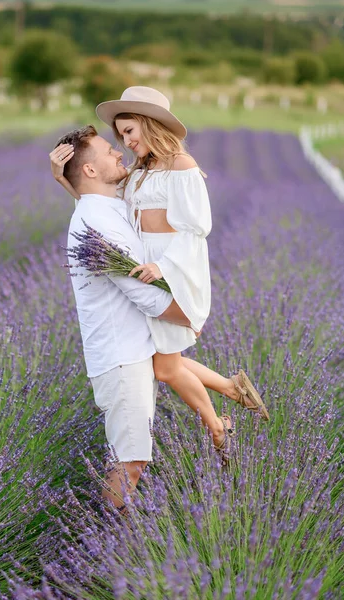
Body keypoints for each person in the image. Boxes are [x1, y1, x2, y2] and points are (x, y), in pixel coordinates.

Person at [50, 87, 269, 470]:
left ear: (152, 125)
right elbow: (94, 197)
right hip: (148, 271)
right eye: (121, 135)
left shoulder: (182, 166)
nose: (126, 142)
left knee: (165, 367)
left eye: (131, 130)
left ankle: (220, 426)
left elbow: (196, 229)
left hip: (174, 271)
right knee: (164, 361)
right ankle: (231, 395)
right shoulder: (138, 171)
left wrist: (164, 269)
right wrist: (61, 177)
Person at [54, 125, 220, 512]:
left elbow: (96, 197)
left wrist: (63, 178)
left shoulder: (104, 207)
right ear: (91, 171)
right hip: (121, 357)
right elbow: (142, 294)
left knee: (131, 457)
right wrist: (190, 317)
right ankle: (108, 551)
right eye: (107, 149)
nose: (118, 152)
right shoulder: (98, 222)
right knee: (130, 463)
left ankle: (226, 401)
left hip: (130, 351)